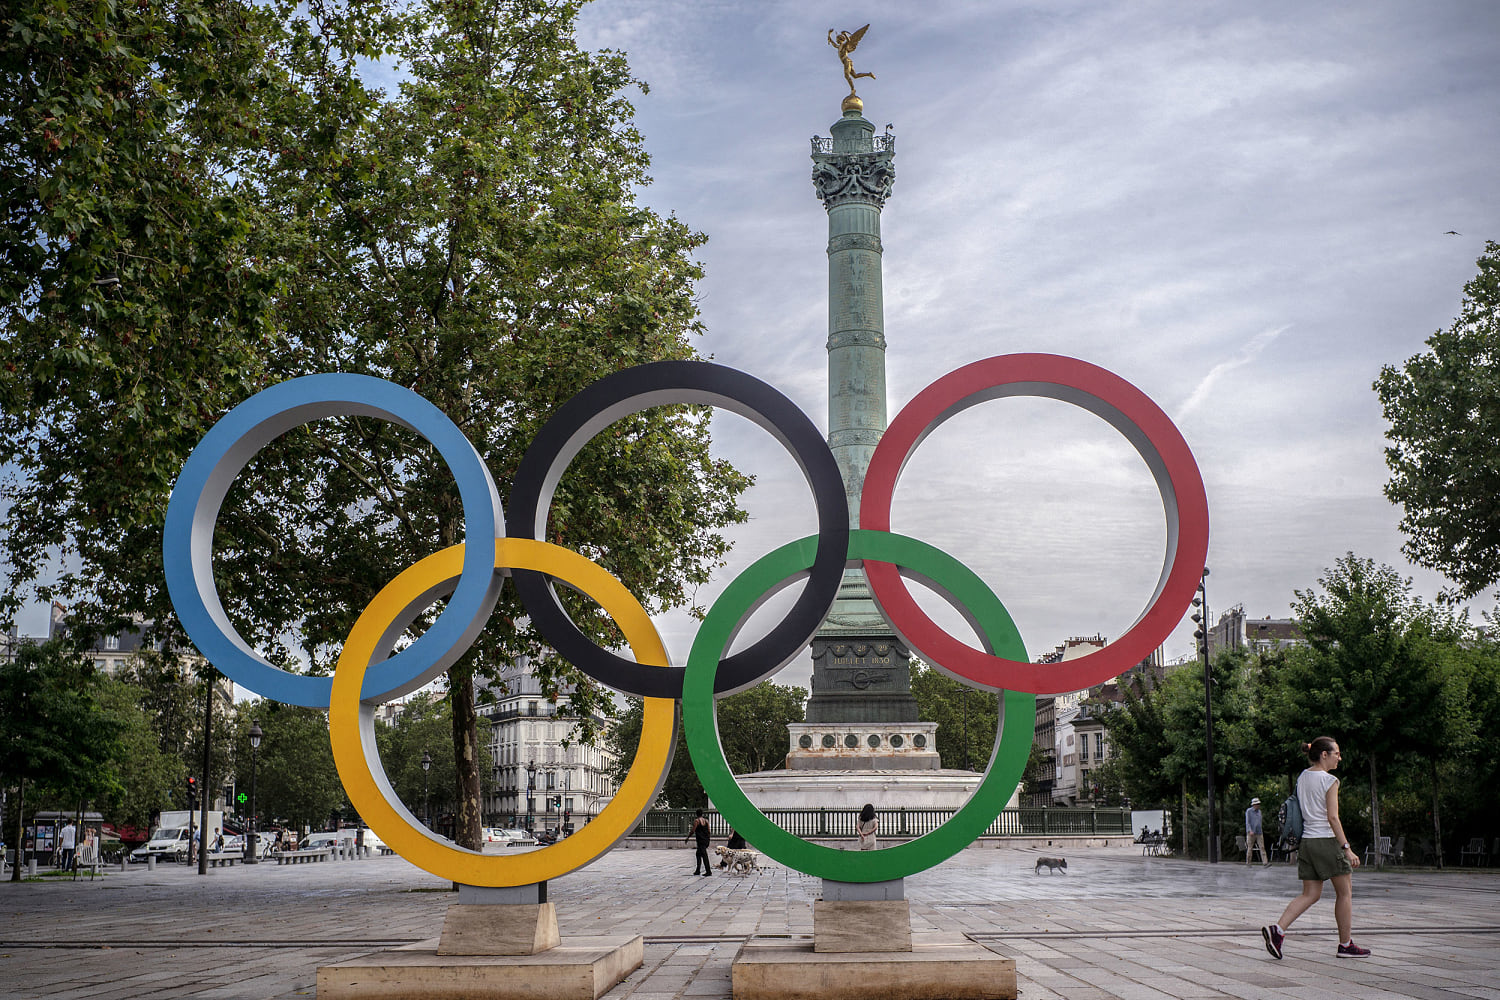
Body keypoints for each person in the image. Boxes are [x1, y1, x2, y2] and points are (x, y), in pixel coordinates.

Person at [1261, 737, 1369, 960]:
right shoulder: (1330, 781)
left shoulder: (1303, 777)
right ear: (1324, 754)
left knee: (1310, 894)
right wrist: (1346, 848)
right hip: (1326, 841)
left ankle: (1277, 931)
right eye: (1336, 753)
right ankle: (1346, 945)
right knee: (1345, 892)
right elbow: (1333, 817)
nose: (1339, 758)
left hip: (1307, 843)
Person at [683, 810, 712, 876]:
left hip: (700, 840)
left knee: (704, 855)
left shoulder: (697, 821)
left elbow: (693, 830)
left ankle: (708, 871)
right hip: (706, 839)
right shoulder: (706, 821)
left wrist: (688, 837)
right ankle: (697, 870)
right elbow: (709, 831)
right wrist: (708, 839)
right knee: (698, 854)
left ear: (696, 814)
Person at [1245, 798, 1269, 866]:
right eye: (1257, 804)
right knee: (1250, 848)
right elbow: (1247, 822)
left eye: (1259, 804)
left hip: (1259, 832)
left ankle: (1265, 862)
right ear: (1253, 805)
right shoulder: (1249, 811)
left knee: (1262, 847)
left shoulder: (1259, 812)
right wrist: (1250, 830)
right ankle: (1248, 862)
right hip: (1251, 833)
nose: (1258, 805)